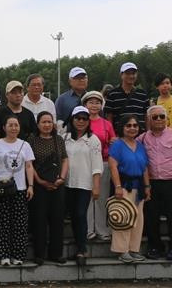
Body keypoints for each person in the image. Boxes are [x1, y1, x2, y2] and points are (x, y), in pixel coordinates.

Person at [138, 104, 172, 262]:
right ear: (149, 120)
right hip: (152, 182)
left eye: (162, 116)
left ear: (167, 119)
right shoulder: (142, 138)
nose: (159, 119)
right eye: (155, 117)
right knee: (151, 217)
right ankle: (155, 247)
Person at [0, 115, 35, 266]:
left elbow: (29, 166)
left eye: (16, 125)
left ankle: (18, 255)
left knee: (20, 224)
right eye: (10, 125)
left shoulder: (25, 145)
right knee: (2, 223)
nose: (14, 128)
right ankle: (3, 255)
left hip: (20, 188)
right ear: (4, 127)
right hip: (1, 188)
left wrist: (30, 185)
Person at [108, 114, 151, 263]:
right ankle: (122, 250)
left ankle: (134, 249)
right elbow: (113, 166)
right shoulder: (117, 145)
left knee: (138, 219)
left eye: (135, 126)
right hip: (124, 185)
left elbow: (145, 168)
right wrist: (118, 186)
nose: (132, 128)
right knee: (124, 217)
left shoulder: (140, 146)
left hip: (138, 186)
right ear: (122, 127)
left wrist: (147, 186)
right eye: (128, 125)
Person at [63, 106, 103, 266]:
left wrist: (96, 186)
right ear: (72, 119)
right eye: (77, 118)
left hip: (84, 184)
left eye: (84, 119)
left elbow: (97, 165)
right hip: (66, 183)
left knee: (80, 215)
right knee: (71, 216)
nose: (81, 121)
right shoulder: (64, 137)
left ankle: (82, 249)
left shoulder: (93, 140)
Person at [29, 111, 68, 265]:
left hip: (58, 184)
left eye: (49, 122)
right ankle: (39, 254)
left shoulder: (58, 139)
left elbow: (65, 159)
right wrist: (39, 180)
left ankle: (56, 253)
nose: (46, 125)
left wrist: (62, 178)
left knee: (57, 220)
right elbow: (29, 163)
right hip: (39, 186)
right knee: (39, 220)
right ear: (38, 124)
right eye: (43, 122)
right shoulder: (32, 140)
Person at [82, 91, 117, 241]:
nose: (94, 105)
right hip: (84, 164)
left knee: (101, 198)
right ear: (85, 104)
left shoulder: (106, 123)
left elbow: (113, 141)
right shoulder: (81, 121)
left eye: (97, 102)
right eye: (91, 102)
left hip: (103, 163)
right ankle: (88, 229)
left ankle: (102, 229)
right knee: (87, 199)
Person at [104, 62, 149, 135]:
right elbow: (109, 117)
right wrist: (112, 135)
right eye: (128, 73)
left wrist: (148, 134)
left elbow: (147, 117)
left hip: (140, 137)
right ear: (121, 75)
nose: (131, 76)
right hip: (120, 136)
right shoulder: (112, 94)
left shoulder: (143, 94)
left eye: (133, 73)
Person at [55, 67, 89, 131]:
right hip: (69, 137)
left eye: (84, 78)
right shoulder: (62, 99)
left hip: (89, 137)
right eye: (77, 78)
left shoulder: (93, 98)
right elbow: (57, 120)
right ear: (70, 81)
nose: (81, 80)